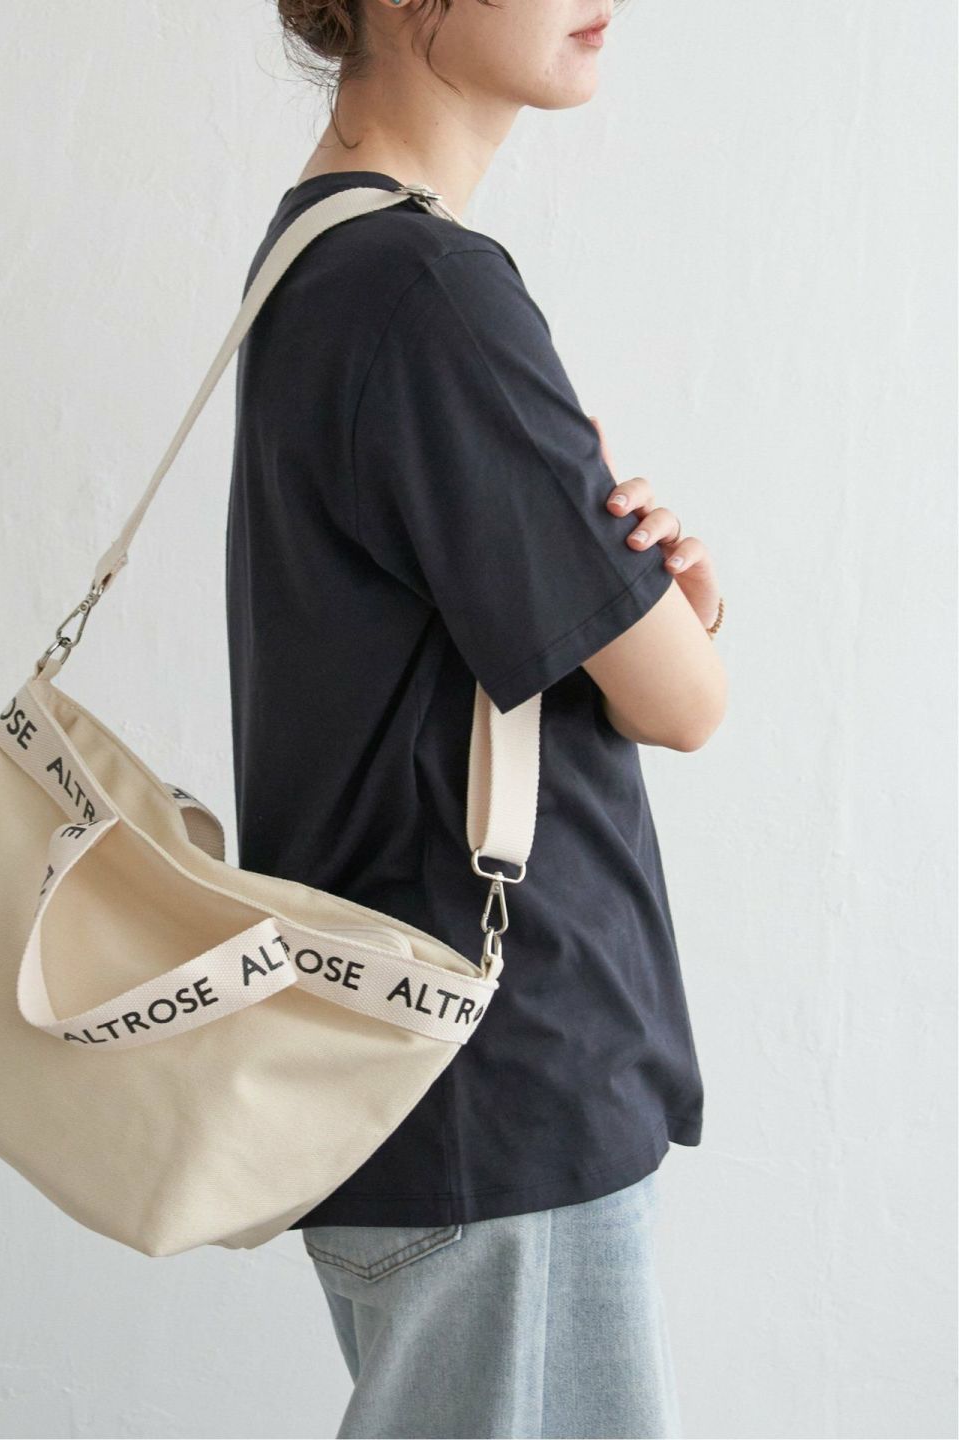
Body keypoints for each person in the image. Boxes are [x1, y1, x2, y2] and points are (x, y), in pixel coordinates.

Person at [226, 1, 728, 1435]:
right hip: (499, 1095)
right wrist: (681, 613)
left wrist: (660, 603)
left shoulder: (322, 254)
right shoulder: (427, 291)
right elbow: (684, 702)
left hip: (424, 1085)